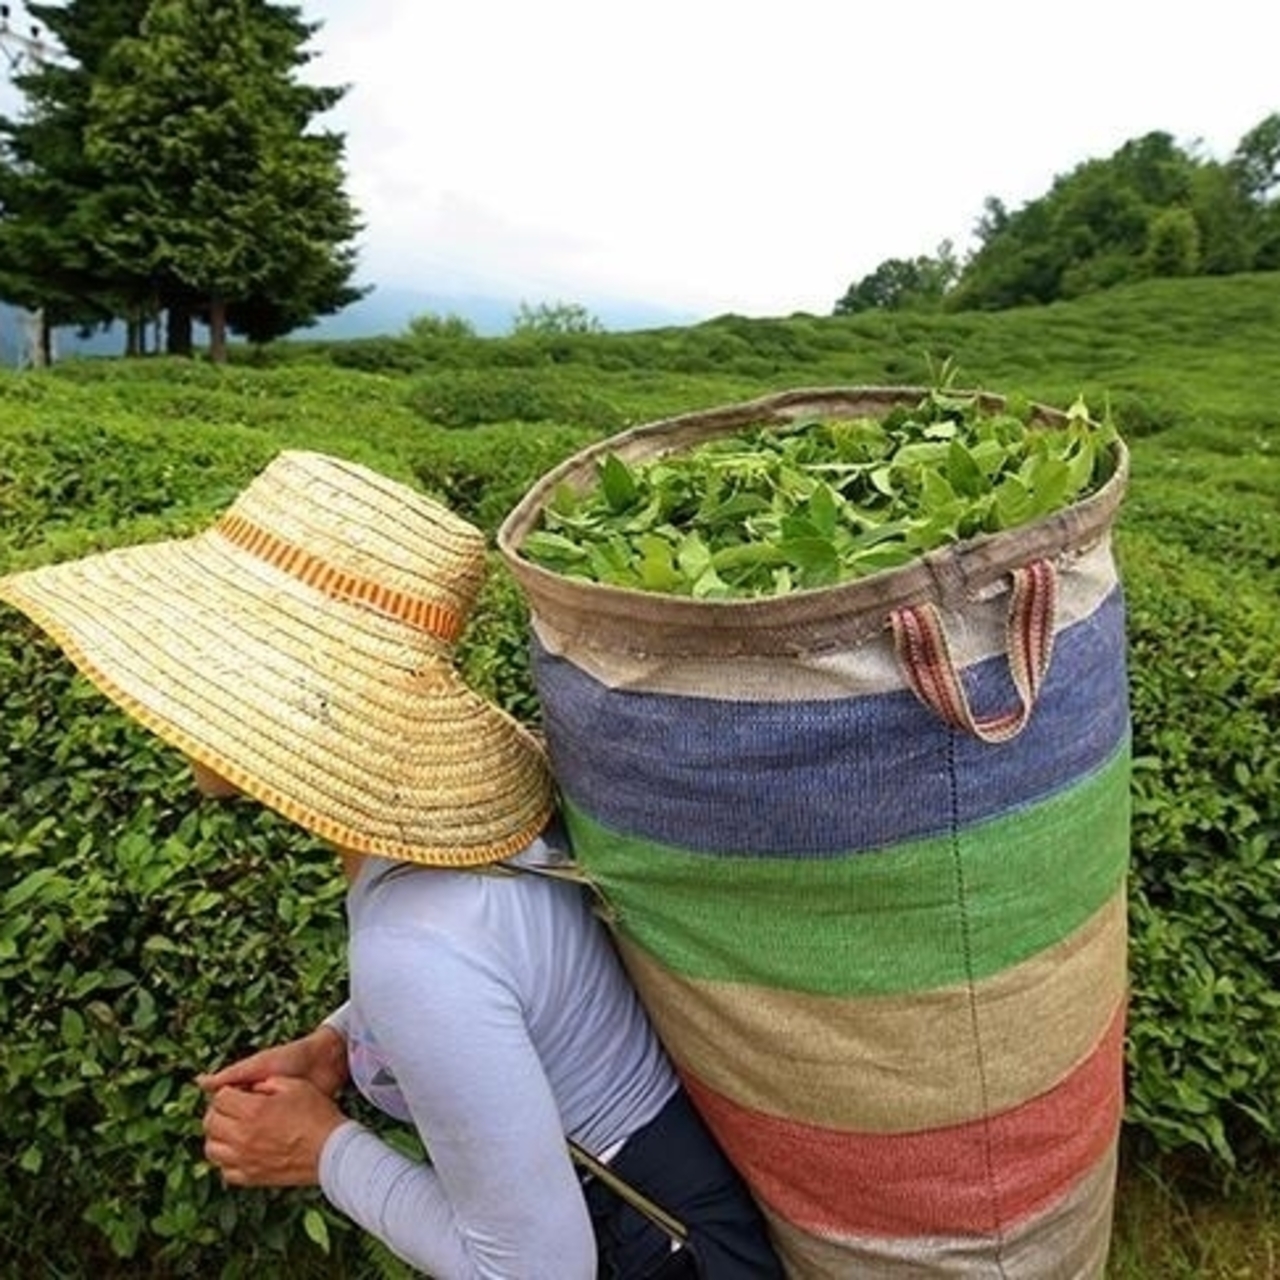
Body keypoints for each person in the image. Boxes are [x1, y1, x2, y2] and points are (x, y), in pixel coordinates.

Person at [0, 450, 784, 1280]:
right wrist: (339, 1046)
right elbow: (511, 981)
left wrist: (322, 1150)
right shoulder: (459, 854)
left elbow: (532, 1270)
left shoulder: (415, 947)